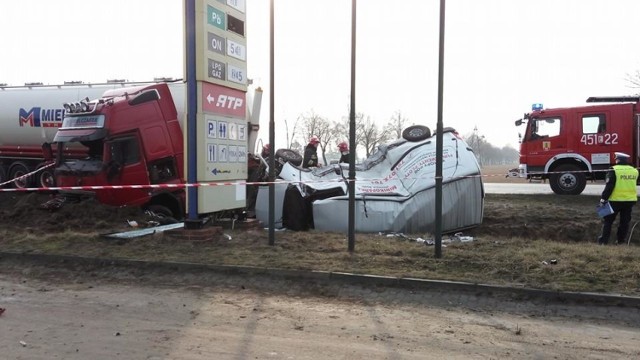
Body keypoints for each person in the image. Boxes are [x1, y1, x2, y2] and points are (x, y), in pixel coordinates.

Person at [597, 152, 639, 245]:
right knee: (624, 222)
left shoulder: (613, 170)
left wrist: (603, 199)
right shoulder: (634, 170)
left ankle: (603, 242)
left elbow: (609, 186)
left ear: (618, 160)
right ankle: (620, 241)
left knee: (608, 221)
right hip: (629, 201)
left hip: (614, 200)